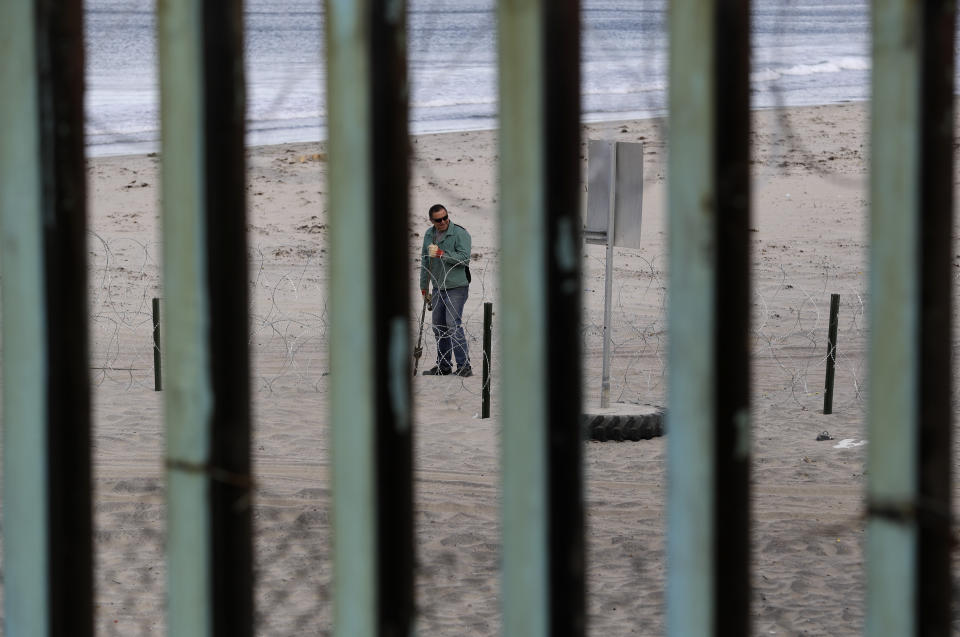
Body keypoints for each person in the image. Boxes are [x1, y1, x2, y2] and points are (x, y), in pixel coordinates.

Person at [420, 204, 472, 376]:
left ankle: (464, 366)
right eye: (438, 219)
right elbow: (425, 261)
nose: (443, 221)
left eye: (445, 217)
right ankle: (443, 366)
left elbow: (464, 259)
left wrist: (442, 253)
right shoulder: (429, 234)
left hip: (456, 286)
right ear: (432, 220)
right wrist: (423, 287)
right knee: (438, 326)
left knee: (452, 324)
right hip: (437, 287)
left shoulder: (460, 233)